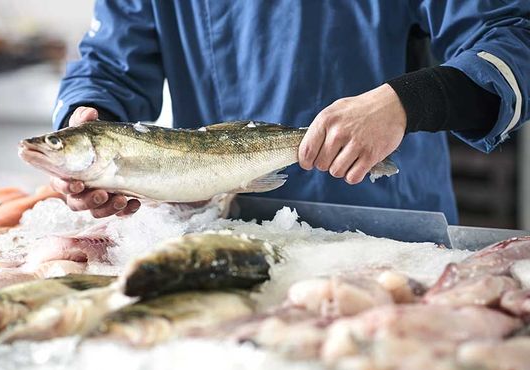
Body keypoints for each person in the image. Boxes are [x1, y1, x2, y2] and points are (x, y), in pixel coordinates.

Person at [50, 1, 530, 223]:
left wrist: (408, 101)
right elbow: (110, 64)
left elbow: (512, 37)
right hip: (224, 227)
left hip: (386, 230)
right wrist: (88, 122)